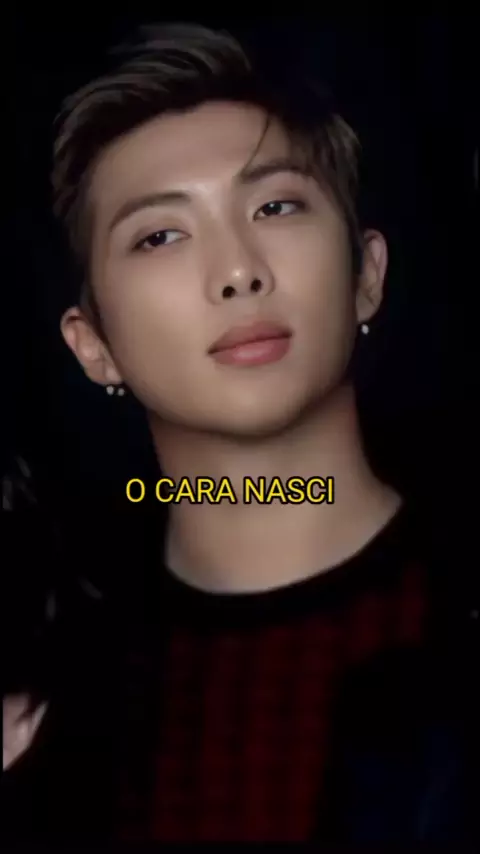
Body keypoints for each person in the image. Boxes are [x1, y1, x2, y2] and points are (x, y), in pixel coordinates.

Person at [4, 21, 475, 845]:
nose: (236, 271)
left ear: (367, 274)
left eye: (275, 205)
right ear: (92, 344)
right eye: (160, 235)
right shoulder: (62, 721)